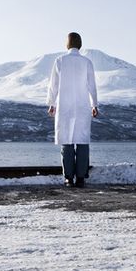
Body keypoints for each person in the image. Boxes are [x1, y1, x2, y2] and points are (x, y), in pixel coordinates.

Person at [47, 32, 99, 188]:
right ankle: (81, 178)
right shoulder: (87, 62)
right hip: (82, 107)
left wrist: (51, 103)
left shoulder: (60, 61)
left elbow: (53, 85)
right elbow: (92, 85)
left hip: (64, 107)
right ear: (80, 44)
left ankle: (69, 177)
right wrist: (94, 105)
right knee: (82, 141)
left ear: (67, 44)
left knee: (67, 141)